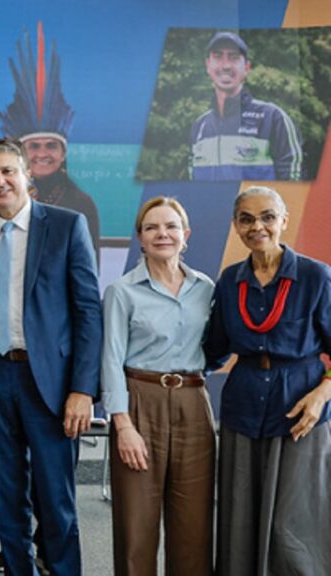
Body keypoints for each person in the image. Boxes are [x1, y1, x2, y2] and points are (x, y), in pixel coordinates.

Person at [0, 138, 102, 576]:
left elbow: (88, 311)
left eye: (7, 171)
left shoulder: (65, 225)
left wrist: (83, 389)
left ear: (26, 175)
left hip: (52, 384)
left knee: (55, 499)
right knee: (5, 495)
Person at [205, 185, 331, 575]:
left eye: (267, 217)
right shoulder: (230, 280)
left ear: (283, 221)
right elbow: (213, 348)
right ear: (236, 226)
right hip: (243, 406)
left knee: (293, 522)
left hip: (299, 409)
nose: (257, 226)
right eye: (246, 219)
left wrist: (321, 395)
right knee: (240, 514)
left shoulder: (316, 276)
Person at [101, 197, 215, 576]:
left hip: (193, 404)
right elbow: (111, 360)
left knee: (194, 525)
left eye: (170, 226)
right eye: (151, 228)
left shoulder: (205, 288)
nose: (162, 234)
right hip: (139, 403)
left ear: (186, 235)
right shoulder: (121, 291)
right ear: (140, 238)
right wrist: (123, 425)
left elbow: (215, 346)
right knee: (137, 524)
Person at [0, 24, 101, 260]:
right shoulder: (3, 197)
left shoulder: (82, 204)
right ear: (21, 153)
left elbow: (89, 272)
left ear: (63, 153)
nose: (43, 153)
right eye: (34, 146)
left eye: (51, 145)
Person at [190, 31, 303, 181]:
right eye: (218, 57)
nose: (226, 65)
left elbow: (293, 180)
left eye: (234, 57)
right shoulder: (199, 126)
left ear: (247, 67)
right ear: (208, 66)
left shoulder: (273, 117)